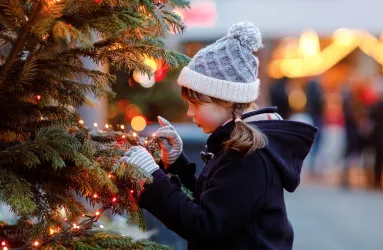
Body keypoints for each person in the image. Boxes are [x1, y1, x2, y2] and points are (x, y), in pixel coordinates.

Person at [120, 22, 317, 250]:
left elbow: (205, 224)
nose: (189, 112)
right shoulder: (236, 143)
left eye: (195, 103)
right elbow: (218, 202)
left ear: (226, 100)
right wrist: (177, 165)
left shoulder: (249, 156)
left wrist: (152, 177)